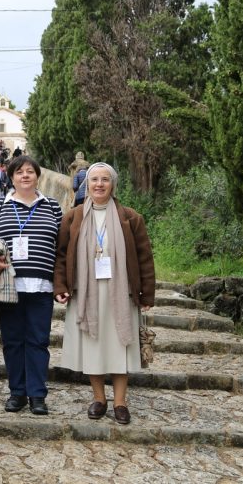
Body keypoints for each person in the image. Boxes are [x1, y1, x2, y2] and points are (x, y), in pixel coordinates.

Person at [53, 162, 155, 426]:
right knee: (93, 347)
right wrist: (60, 286)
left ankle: (120, 402)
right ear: (86, 185)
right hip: (86, 294)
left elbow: (144, 257)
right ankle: (99, 398)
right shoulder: (73, 217)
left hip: (120, 294)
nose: (99, 184)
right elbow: (61, 255)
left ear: (113, 184)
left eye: (105, 179)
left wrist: (146, 294)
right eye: (94, 179)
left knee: (120, 347)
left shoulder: (130, 218)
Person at [0, 155, 62, 415]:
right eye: (19, 172)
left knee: (38, 341)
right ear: (11, 177)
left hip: (41, 286)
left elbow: (62, 247)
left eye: (30, 171)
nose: (25, 175)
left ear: (37, 176)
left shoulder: (52, 206)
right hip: (8, 286)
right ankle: (17, 393)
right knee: (13, 342)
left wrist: (62, 284)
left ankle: (37, 395)